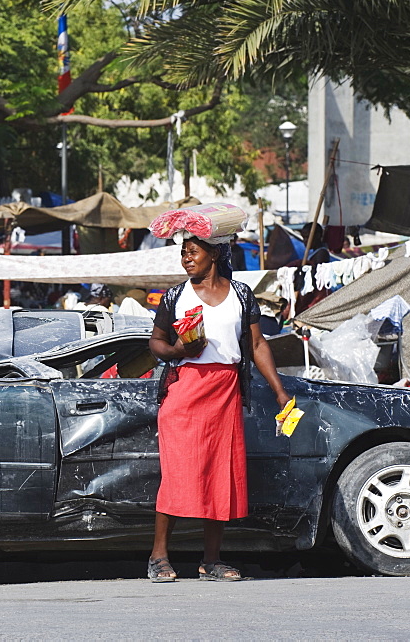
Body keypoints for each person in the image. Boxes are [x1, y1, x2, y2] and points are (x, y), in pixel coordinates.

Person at [147, 236, 291, 582]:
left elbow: (257, 344)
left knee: (220, 475)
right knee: (178, 474)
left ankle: (210, 561)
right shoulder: (174, 296)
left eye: (192, 251)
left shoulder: (241, 295)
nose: (186, 258)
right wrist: (178, 349)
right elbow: (155, 343)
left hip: (225, 391)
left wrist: (280, 391)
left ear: (214, 254)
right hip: (184, 391)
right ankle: (158, 556)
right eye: (182, 252)